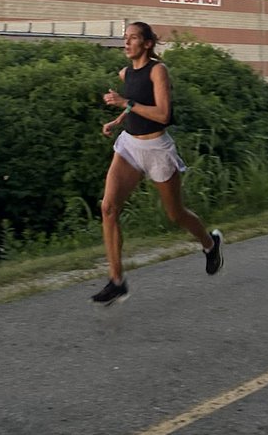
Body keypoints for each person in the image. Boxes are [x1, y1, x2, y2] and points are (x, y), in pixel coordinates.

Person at [92, 20, 223, 305]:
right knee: (108, 208)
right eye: (125, 38)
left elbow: (162, 114)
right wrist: (117, 120)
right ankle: (117, 281)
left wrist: (124, 103)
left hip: (156, 150)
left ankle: (210, 244)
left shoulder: (158, 70)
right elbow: (135, 104)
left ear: (147, 43)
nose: (126, 42)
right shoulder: (126, 72)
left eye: (133, 38)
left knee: (176, 214)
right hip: (129, 146)